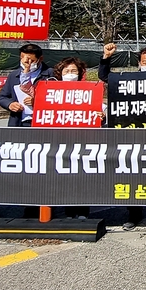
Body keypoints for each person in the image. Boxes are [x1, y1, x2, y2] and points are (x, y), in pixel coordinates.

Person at [97, 42, 146, 230]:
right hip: (131, 136)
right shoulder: (129, 79)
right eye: (145, 61)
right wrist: (106, 57)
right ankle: (133, 215)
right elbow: (104, 76)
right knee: (132, 176)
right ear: (139, 62)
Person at [54, 57, 95, 220]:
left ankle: (83, 211)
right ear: (60, 73)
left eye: (73, 71)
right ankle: (69, 212)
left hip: (82, 140)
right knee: (64, 177)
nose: (70, 74)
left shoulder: (89, 90)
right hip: (60, 141)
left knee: (82, 177)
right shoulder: (52, 92)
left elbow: (97, 110)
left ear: (80, 74)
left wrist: (101, 115)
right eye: (66, 71)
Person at [0, 43, 55, 127]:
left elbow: (58, 99)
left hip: (42, 121)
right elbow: (2, 97)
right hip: (18, 122)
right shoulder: (14, 75)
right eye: (22, 59)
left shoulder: (51, 74)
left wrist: (37, 102)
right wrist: (10, 104)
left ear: (40, 59)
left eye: (31, 61)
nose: (26, 63)